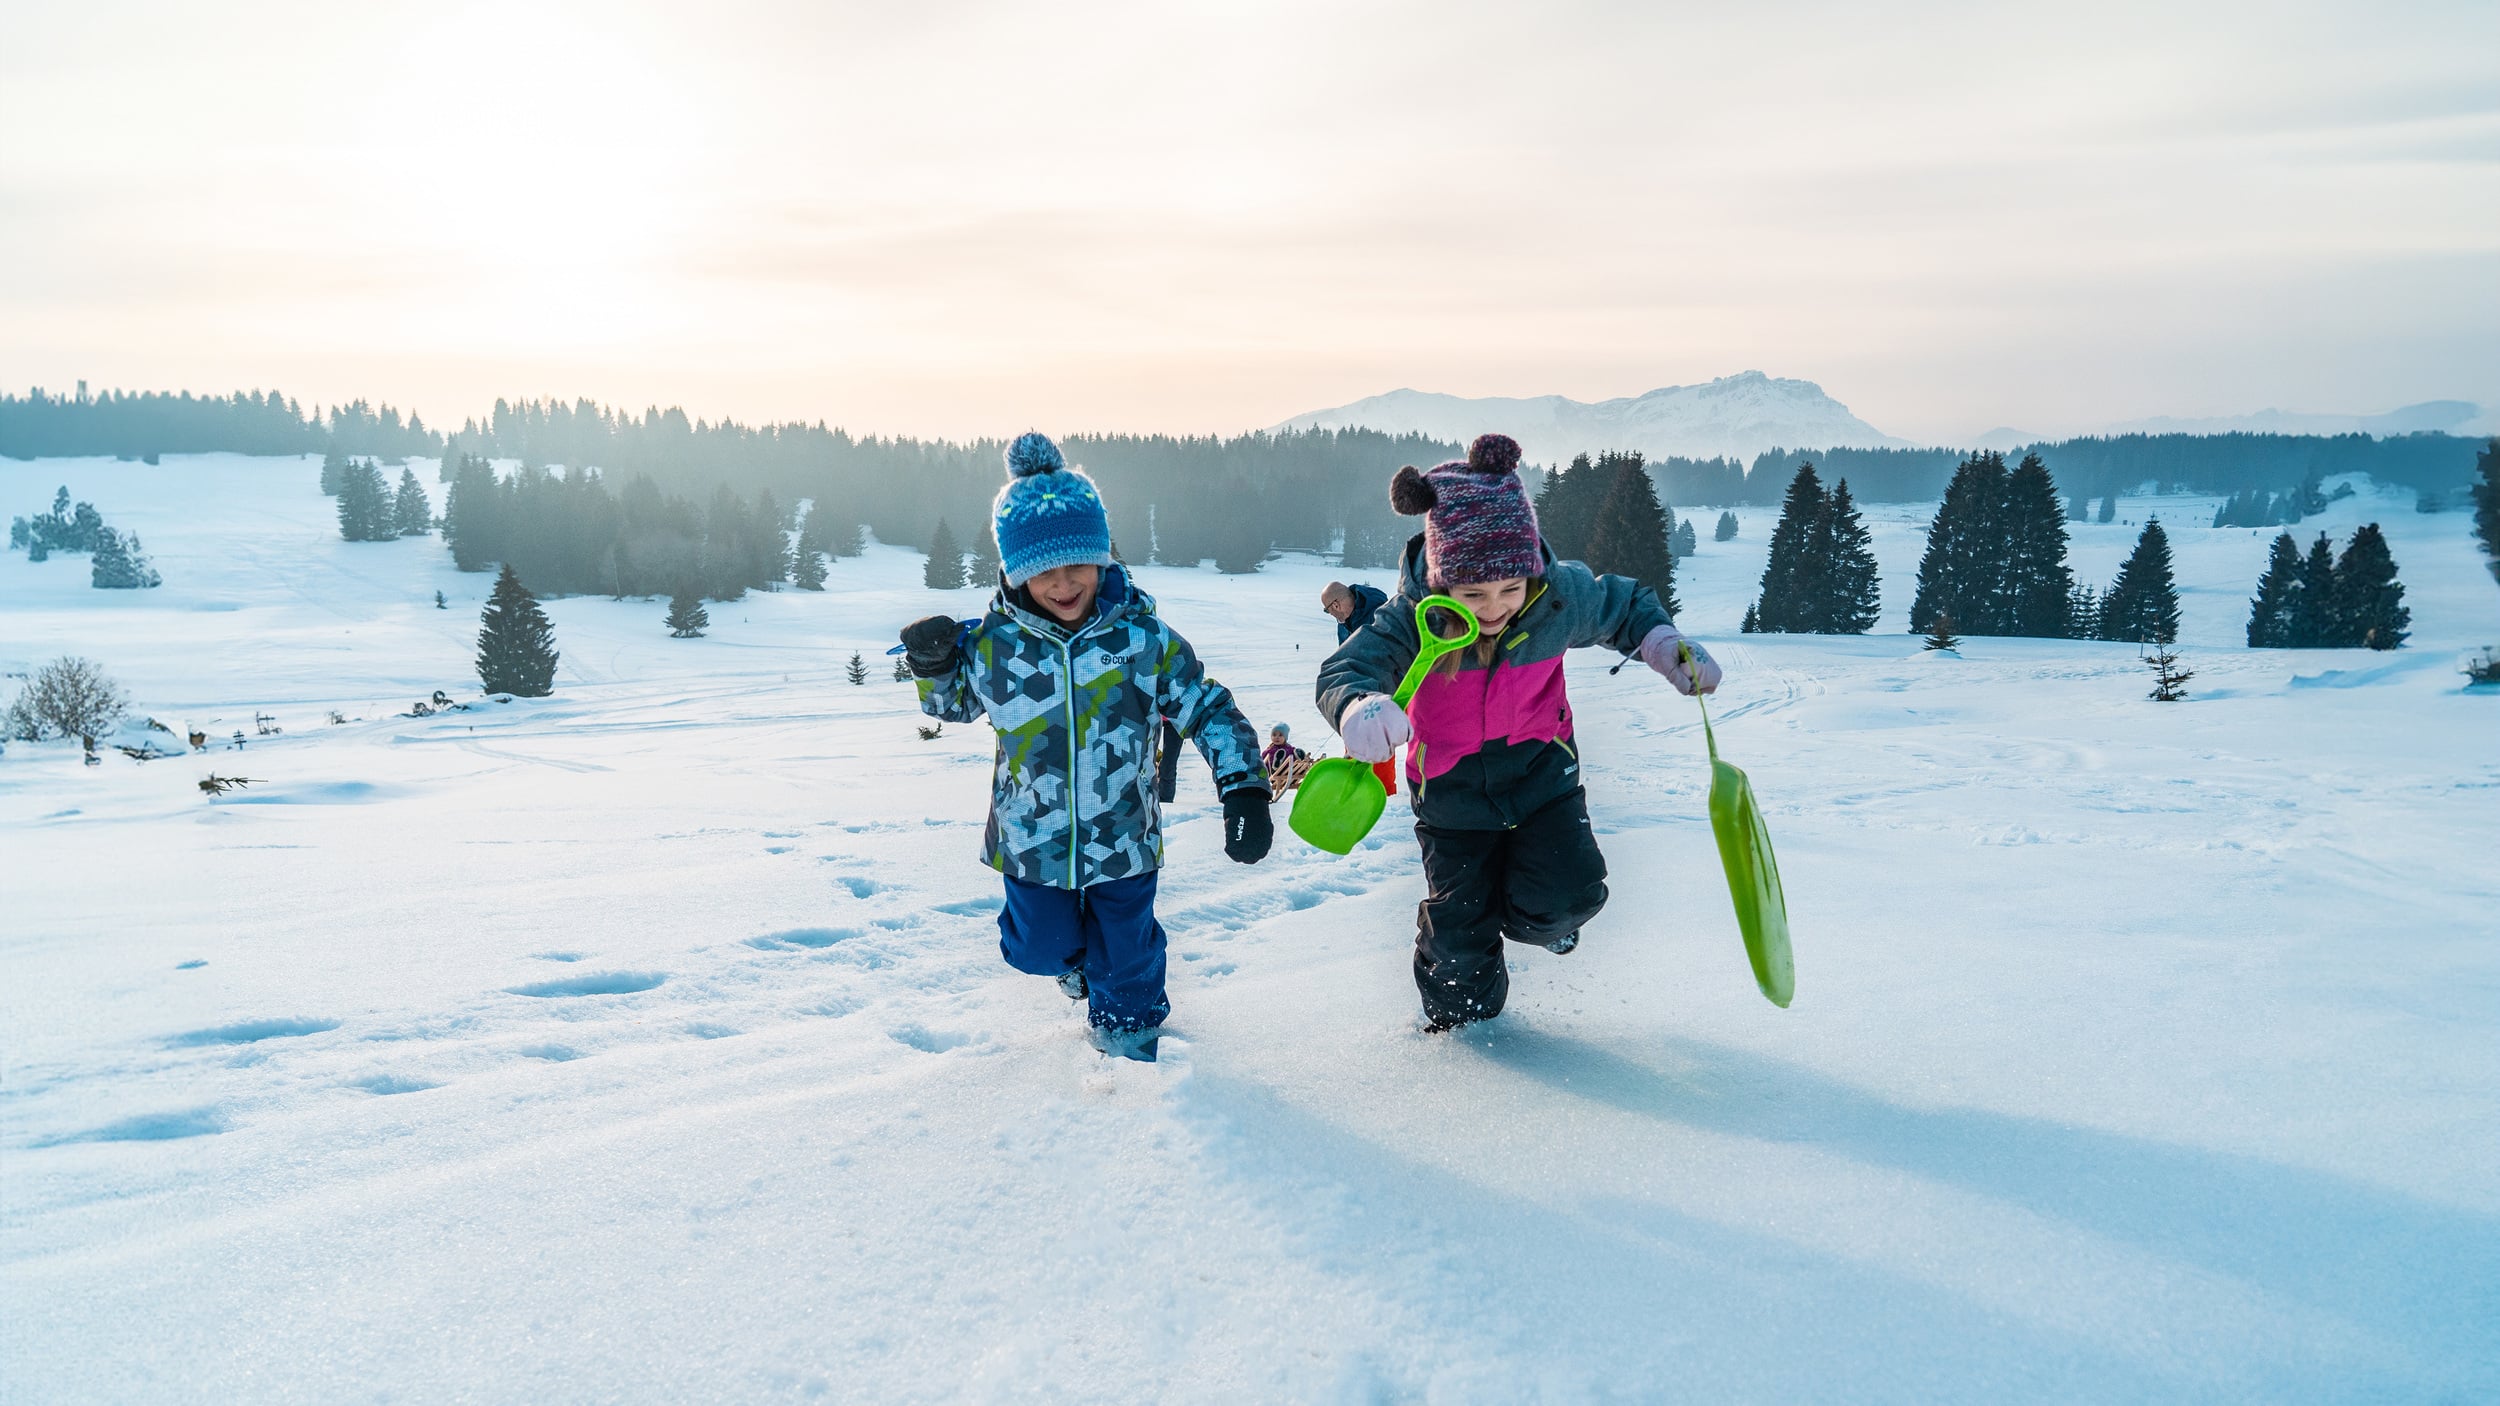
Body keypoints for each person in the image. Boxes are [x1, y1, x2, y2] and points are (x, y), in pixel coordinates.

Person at [1315, 434, 1723, 1032]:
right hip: (1453, 794)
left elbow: (1625, 605)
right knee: (1461, 942)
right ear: (1440, 580)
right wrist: (1359, 707)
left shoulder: (1558, 601)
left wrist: (1662, 643)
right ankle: (1463, 1032)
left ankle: (1528, 920)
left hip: (1542, 776)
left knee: (1570, 897)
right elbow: (1346, 668)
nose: (1494, 608)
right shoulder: (1411, 620)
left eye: (1511, 589)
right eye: (1473, 593)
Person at [903, 432, 1272, 1062]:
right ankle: (1075, 970)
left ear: (1102, 557)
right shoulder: (996, 645)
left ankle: (1132, 1047)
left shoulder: (1142, 640)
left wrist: (1243, 785)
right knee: (1034, 948)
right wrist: (933, 663)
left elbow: (1205, 705)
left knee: (1125, 955)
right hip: (1032, 839)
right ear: (1017, 572)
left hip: (1124, 837)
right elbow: (953, 705)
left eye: (1078, 562)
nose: (1064, 582)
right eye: (1044, 569)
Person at [1320, 580, 1398, 795]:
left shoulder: (1378, 611)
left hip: (1389, 684)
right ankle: (1358, 785)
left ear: (1335, 605)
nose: (1332, 615)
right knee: (1355, 731)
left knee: (1381, 735)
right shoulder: (1344, 624)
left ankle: (1383, 791)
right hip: (1360, 689)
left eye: (1328, 610)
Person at [1321, 580, 1388, 643]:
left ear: (1336, 605)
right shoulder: (1343, 622)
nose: (1331, 614)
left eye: (1327, 610)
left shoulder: (1380, 619)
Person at [1262, 723, 1314, 792]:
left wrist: (1303, 757)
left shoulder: (1290, 749)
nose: (1277, 737)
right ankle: (1276, 767)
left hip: (1292, 774)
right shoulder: (1269, 750)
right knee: (1280, 755)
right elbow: (1263, 762)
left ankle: (1301, 761)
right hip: (1275, 776)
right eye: (1274, 735)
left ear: (1285, 737)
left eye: (1280, 735)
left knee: (1294, 755)